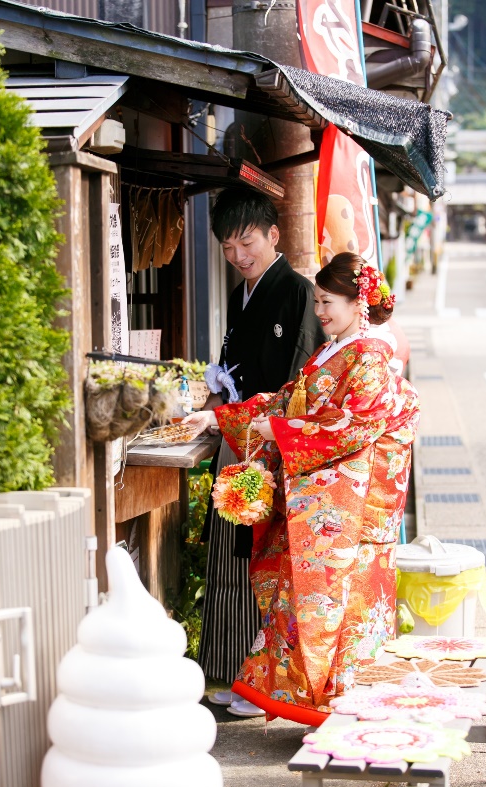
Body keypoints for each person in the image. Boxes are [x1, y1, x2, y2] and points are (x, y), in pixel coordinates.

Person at [185, 253, 420, 726]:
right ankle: (285, 689)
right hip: (325, 501)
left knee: (341, 605)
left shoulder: (369, 357)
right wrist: (219, 415)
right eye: (317, 302)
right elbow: (288, 398)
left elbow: (352, 427)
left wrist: (284, 431)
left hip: (353, 507)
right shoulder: (336, 350)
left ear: (358, 304)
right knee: (303, 601)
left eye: (328, 302)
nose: (320, 312)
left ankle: (344, 702)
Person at [198, 188, 326, 717]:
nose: (238, 257)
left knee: (264, 562)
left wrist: (249, 417)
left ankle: (264, 684)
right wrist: (214, 395)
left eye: (246, 242)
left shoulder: (297, 293)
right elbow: (234, 371)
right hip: (238, 440)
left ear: (274, 235)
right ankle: (230, 674)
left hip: (270, 448)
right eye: (227, 248)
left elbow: (295, 384)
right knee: (229, 555)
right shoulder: (240, 295)